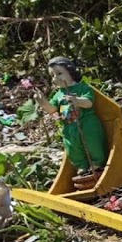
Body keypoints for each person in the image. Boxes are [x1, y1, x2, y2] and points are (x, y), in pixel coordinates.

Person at [34, 56, 107, 185]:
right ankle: (82, 166)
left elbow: (89, 102)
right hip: (69, 126)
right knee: (73, 147)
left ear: (70, 72)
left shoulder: (82, 87)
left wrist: (77, 101)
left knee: (92, 142)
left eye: (59, 73)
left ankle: (96, 163)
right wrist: (42, 102)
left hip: (86, 122)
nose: (56, 78)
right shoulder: (58, 94)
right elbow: (52, 109)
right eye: (52, 75)